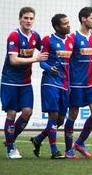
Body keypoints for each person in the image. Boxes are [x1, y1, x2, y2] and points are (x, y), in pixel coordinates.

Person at [0, 7, 48, 159]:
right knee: (12, 113)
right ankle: (11, 149)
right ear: (20, 19)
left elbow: (46, 50)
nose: (28, 21)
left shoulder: (35, 36)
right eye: (26, 18)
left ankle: (10, 140)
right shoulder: (14, 36)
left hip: (25, 82)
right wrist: (36, 59)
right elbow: (14, 60)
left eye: (31, 18)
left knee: (27, 112)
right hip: (10, 81)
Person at [30, 14, 73, 159]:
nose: (68, 25)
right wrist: (49, 68)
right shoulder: (48, 40)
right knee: (53, 116)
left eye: (68, 23)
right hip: (50, 82)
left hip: (65, 84)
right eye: (65, 24)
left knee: (60, 120)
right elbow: (42, 61)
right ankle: (54, 151)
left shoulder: (72, 40)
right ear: (56, 27)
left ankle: (38, 139)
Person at [64, 7, 92, 159]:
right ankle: (68, 149)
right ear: (83, 19)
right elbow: (66, 60)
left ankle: (80, 142)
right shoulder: (72, 37)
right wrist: (66, 82)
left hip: (90, 83)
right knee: (73, 114)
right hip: (75, 84)